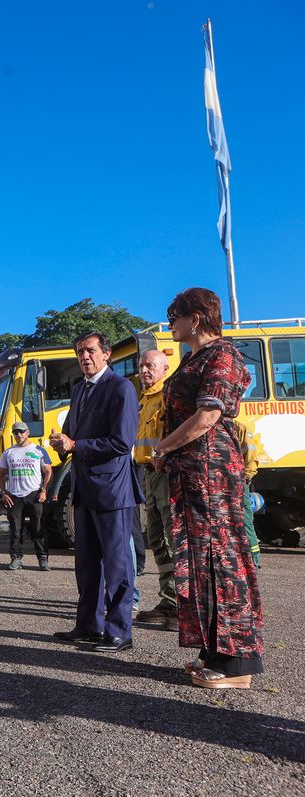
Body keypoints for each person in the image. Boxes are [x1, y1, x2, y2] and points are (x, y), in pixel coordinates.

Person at [154, 288, 262, 688]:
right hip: (193, 473)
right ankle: (214, 652)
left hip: (212, 472)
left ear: (196, 318)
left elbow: (208, 414)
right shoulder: (194, 358)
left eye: (174, 316)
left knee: (223, 558)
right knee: (200, 560)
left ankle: (238, 665)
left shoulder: (223, 355)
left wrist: (163, 447)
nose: (170, 324)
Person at [49, 331, 142, 653]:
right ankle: (88, 625)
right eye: (79, 352)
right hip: (84, 487)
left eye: (89, 351)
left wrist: (77, 445)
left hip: (113, 490)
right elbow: (74, 437)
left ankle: (119, 631)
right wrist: (63, 443)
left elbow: (121, 442)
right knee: (86, 563)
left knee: (117, 564)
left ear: (106, 354)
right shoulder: (79, 391)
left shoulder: (121, 388)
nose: (84, 357)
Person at [133, 350, 178, 630]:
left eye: (150, 365)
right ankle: (168, 600)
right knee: (157, 537)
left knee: (173, 536)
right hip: (147, 473)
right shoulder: (144, 398)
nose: (144, 370)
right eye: (141, 366)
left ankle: (179, 603)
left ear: (164, 368)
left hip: (165, 472)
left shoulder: (169, 396)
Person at [0, 421, 52, 571]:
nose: (18, 435)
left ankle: (43, 558)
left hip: (34, 494)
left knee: (38, 527)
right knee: (15, 529)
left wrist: (44, 490)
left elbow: (48, 470)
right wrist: (4, 492)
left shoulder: (38, 450)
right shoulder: (8, 453)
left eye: (21, 432)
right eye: (15, 432)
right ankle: (15, 558)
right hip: (15, 496)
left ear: (28, 432)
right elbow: (1, 474)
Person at [233, 420, 261, 569]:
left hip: (238, 480)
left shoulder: (239, 429)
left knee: (245, 520)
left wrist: (247, 477)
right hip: (220, 481)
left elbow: (251, 457)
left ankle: (253, 559)